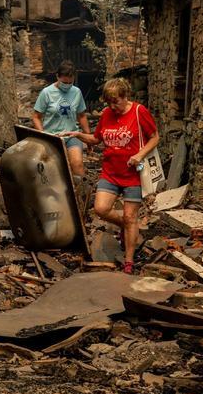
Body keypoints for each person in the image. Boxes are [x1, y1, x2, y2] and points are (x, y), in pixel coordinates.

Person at [64, 78, 159, 275]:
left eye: (116, 101)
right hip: (110, 172)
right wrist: (77, 134)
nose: (112, 106)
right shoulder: (107, 114)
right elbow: (96, 139)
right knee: (101, 209)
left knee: (130, 216)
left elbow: (155, 137)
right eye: (109, 102)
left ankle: (129, 261)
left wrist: (139, 154)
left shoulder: (139, 112)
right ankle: (126, 227)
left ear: (125, 96)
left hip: (133, 174)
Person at [31, 60, 90, 179]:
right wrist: (43, 135)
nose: (67, 85)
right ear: (57, 76)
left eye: (70, 82)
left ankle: (82, 194)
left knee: (77, 164)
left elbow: (81, 115)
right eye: (64, 82)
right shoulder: (46, 93)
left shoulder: (76, 92)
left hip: (71, 135)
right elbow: (36, 117)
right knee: (53, 170)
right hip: (53, 137)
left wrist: (88, 137)